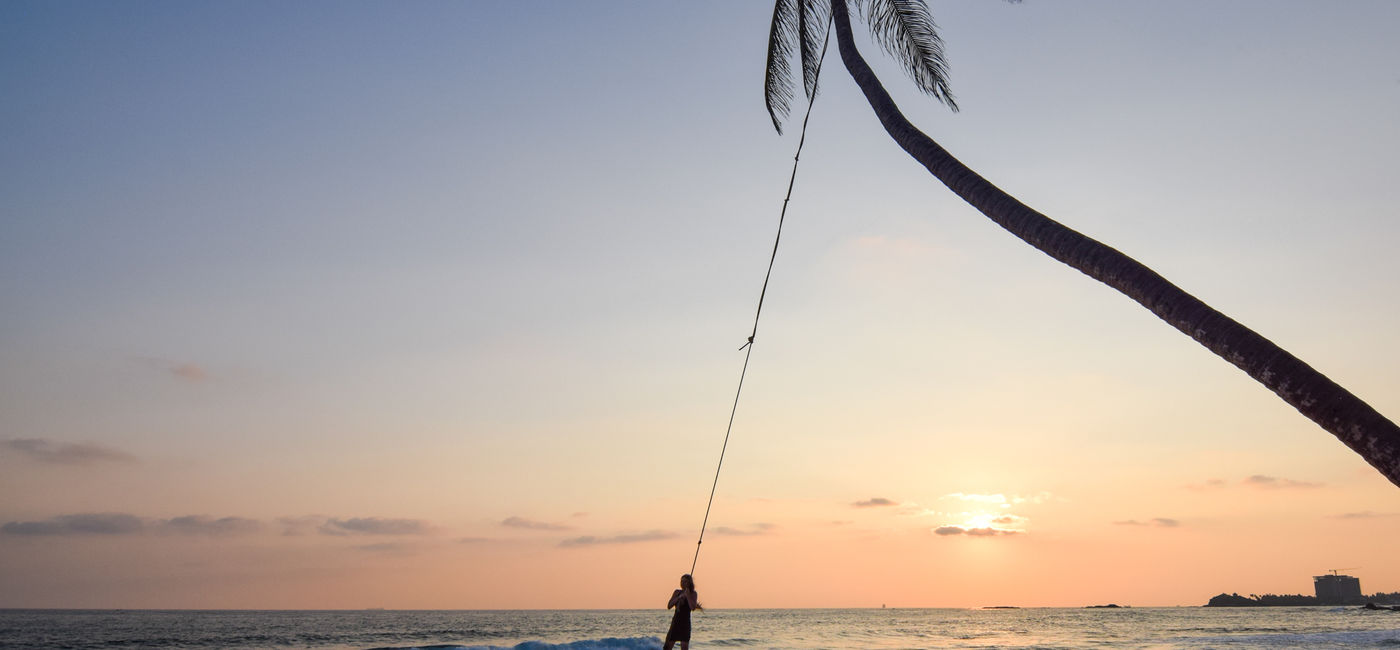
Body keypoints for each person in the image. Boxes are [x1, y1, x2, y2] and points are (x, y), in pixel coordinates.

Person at [663, 574, 701, 650]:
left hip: (685, 623)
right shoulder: (677, 592)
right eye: (681, 581)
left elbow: (692, 607)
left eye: (685, 582)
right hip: (676, 622)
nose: (682, 583)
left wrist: (687, 595)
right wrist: (679, 597)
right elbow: (669, 606)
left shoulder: (693, 593)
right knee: (668, 646)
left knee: (684, 647)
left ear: (689, 583)